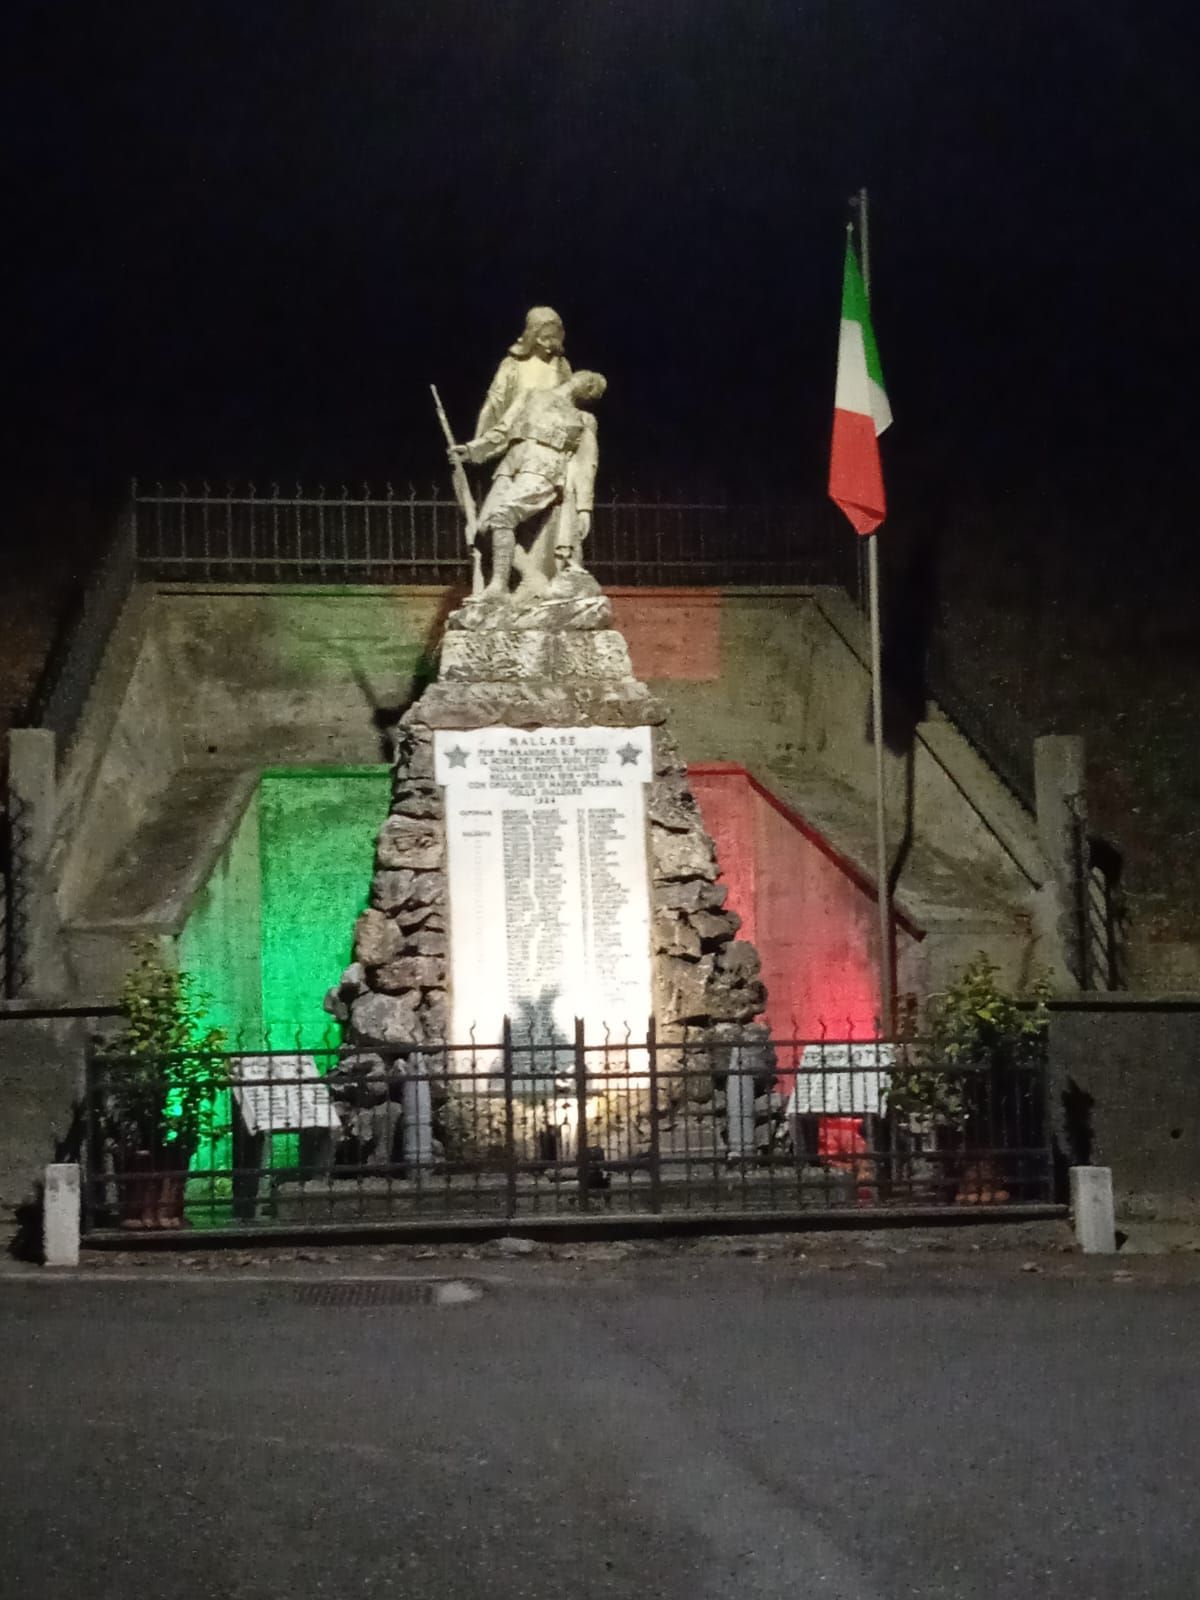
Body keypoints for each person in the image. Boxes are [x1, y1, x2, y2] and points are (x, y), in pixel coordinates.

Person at [450, 370, 606, 598]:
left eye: (593, 389)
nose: (588, 386)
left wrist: (584, 507)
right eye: (590, 381)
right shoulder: (530, 394)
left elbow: (586, 464)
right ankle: (529, 577)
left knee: (502, 517)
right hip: (512, 465)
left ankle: (501, 585)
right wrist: (472, 449)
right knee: (485, 527)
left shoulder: (584, 419)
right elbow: (504, 430)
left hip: (545, 468)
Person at [475, 306, 572, 438]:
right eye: (545, 338)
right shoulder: (512, 365)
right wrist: (476, 443)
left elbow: (570, 407)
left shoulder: (561, 366)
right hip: (517, 438)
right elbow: (493, 406)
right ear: (533, 337)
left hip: (551, 439)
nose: (549, 344)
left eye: (554, 337)